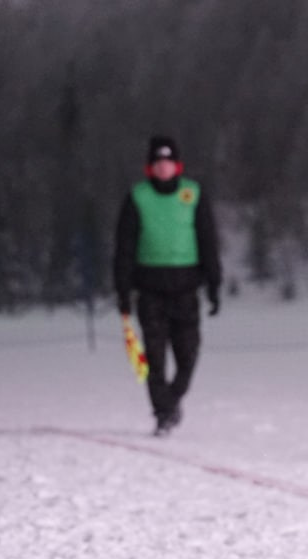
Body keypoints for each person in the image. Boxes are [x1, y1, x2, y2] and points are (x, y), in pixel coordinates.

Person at [113, 135, 222, 437]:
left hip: (186, 289)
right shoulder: (137, 198)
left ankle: (171, 399)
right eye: (158, 163)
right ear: (150, 167)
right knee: (155, 358)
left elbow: (208, 241)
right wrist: (122, 291)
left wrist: (214, 284)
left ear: (177, 165)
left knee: (188, 354)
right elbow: (124, 248)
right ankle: (163, 414)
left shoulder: (193, 194)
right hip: (150, 291)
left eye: (168, 162)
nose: (164, 168)